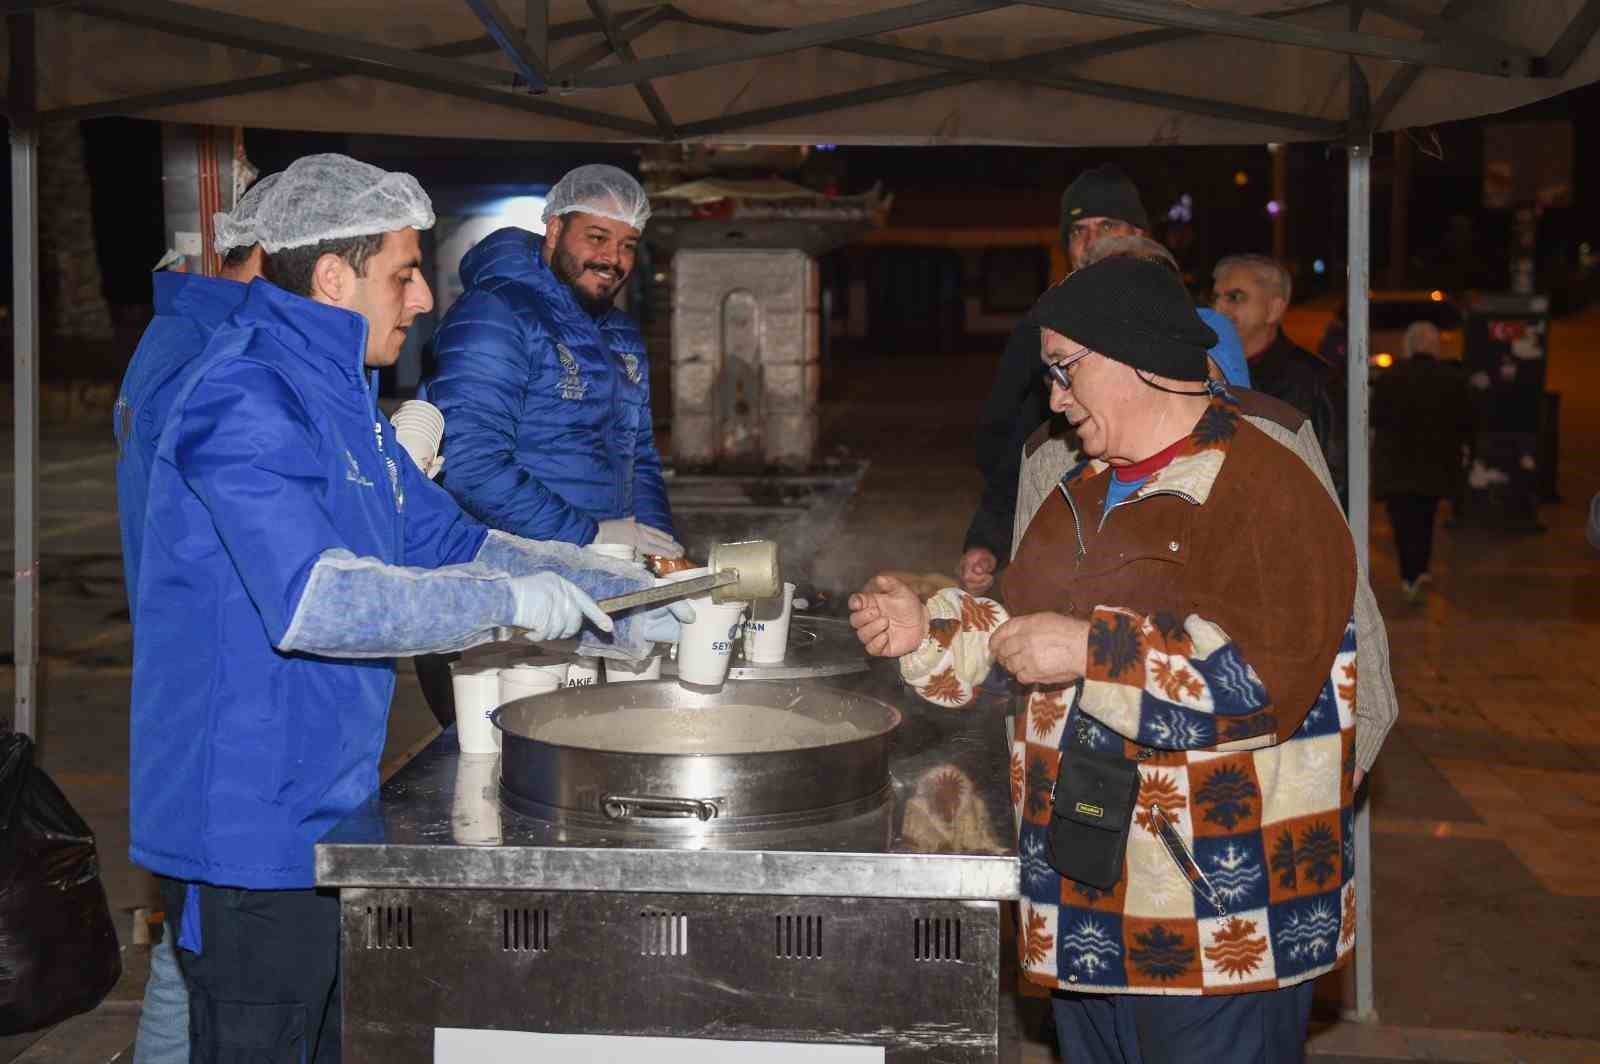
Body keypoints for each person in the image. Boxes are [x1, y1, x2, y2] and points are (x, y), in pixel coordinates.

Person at [127, 153, 686, 1064]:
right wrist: (510, 605)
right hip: (244, 820)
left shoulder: (341, 400)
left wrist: (627, 597)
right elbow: (316, 600)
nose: (424, 298)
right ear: (336, 276)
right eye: (405, 273)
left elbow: (456, 540)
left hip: (330, 797)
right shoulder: (241, 395)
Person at [852, 256, 1358, 1063]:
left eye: (1064, 369)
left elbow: (1264, 686)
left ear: (1134, 357)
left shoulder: (1265, 489)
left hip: (1211, 923)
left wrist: (1091, 648)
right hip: (1092, 909)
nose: (1052, 396)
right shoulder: (1084, 491)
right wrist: (928, 630)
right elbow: (1018, 626)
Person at [1016, 235, 1398, 788]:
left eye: (1068, 366)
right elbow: (1027, 619)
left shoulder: (1270, 454)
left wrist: (1361, 730)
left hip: (1224, 835)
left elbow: (1320, 623)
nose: (1057, 397)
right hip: (1092, 809)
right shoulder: (1066, 465)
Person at [419, 164, 681, 726]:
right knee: (498, 760)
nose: (613, 258)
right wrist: (589, 534)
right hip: (500, 595)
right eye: (597, 237)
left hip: (593, 590)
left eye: (628, 244)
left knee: (584, 754)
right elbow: (468, 463)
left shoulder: (620, 335)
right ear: (554, 230)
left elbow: (638, 457)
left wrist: (663, 554)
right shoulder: (494, 314)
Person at [119, 173, 276, 1064]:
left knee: (192, 956)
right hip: (212, 694)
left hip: (205, 682)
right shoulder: (205, 352)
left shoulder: (196, 333)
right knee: (197, 956)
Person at [958, 164, 1149, 595]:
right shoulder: (1043, 329)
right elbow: (1011, 441)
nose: (1092, 241)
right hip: (1069, 539)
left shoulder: (1183, 328)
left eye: (1108, 225)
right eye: (1078, 230)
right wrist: (988, 537)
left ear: (1140, 235)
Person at [1210, 254, 1343, 494]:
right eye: (1216, 297)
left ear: (1274, 309)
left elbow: (1335, 474)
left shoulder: (1314, 380)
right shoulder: (1202, 372)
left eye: (1235, 297)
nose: (1219, 308)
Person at [1372, 320, 1474, 602]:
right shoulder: (1451, 379)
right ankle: (1420, 569)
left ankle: (1410, 573)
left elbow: (1376, 417)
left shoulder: (1390, 377)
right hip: (1434, 464)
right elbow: (1465, 421)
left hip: (1397, 465)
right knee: (1426, 516)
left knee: (1403, 522)